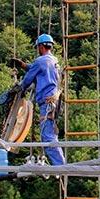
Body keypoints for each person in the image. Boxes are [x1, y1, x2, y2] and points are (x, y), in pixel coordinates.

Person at [18, 33, 65, 166]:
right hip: (55, 102)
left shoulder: (41, 61)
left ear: (40, 46)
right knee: (51, 134)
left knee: (47, 137)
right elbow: (40, 69)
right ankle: (61, 165)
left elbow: (28, 80)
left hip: (47, 103)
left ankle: (61, 167)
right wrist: (24, 65)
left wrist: (18, 90)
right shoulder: (54, 60)